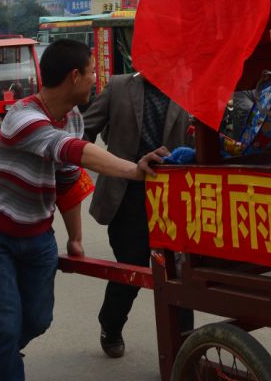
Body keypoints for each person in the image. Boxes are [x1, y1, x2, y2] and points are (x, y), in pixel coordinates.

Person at [0, 39, 169, 381]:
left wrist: (74, 237)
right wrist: (135, 169)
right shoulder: (23, 118)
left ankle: (2, 354)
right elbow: (72, 151)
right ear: (75, 77)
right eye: (92, 72)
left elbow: (66, 181)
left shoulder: (73, 117)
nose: (96, 79)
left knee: (37, 320)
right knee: (4, 322)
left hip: (37, 235)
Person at [82, 70, 192, 357]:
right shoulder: (118, 87)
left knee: (178, 272)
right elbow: (83, 133)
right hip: (126, 195)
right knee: (131, 265)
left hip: (175, 196)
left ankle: (181, 350)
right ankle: (111, 324)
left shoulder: (188, 86)